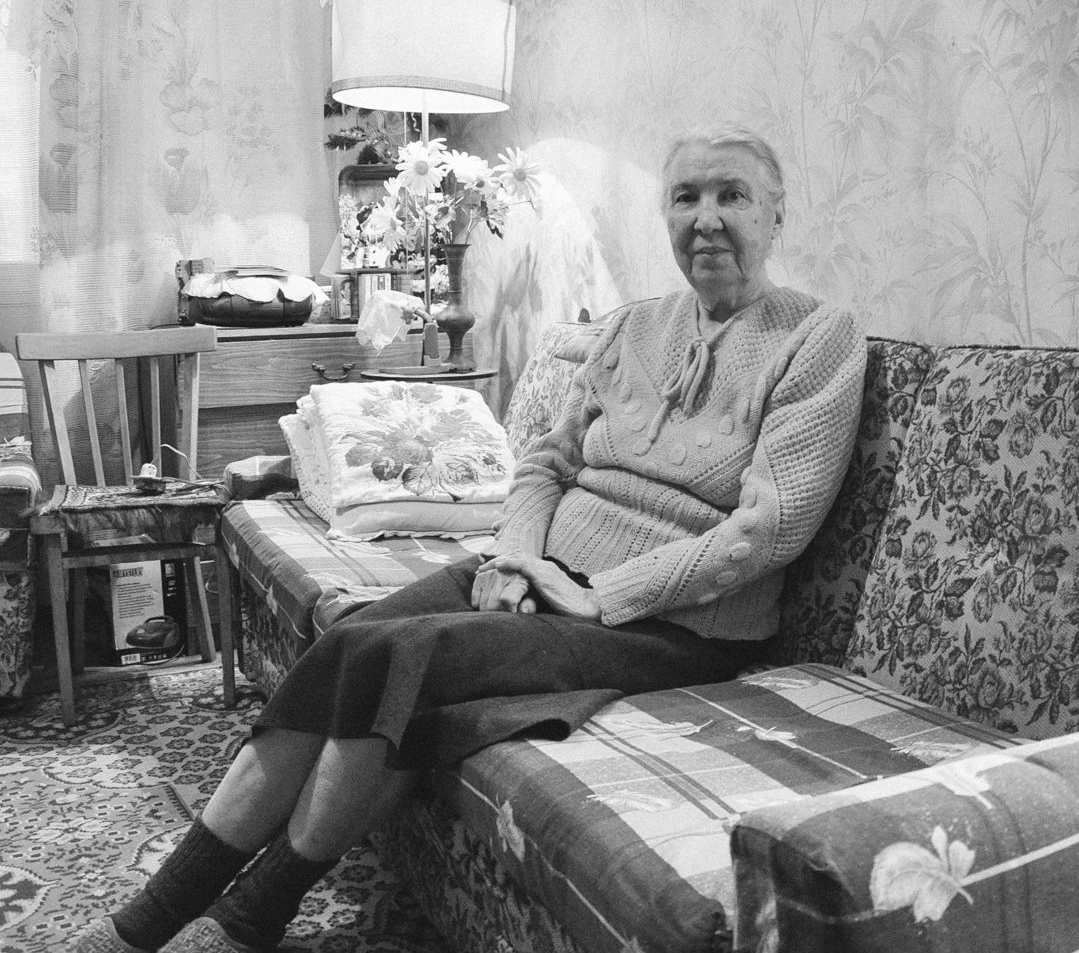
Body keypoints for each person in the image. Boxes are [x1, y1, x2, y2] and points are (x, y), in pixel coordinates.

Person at [73, 125, 867, 953]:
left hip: (673, 626)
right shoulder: (634, 326)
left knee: (396, 657)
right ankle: (175, 913)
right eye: (686, 196)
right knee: (349, 638)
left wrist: (600, 597)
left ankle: (230, 920)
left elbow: (771, 526)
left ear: (777, 215)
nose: (706, 218)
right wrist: (517, 558)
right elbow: (546, 463)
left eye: (732, 195)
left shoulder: (818, 338)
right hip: (543, 573)